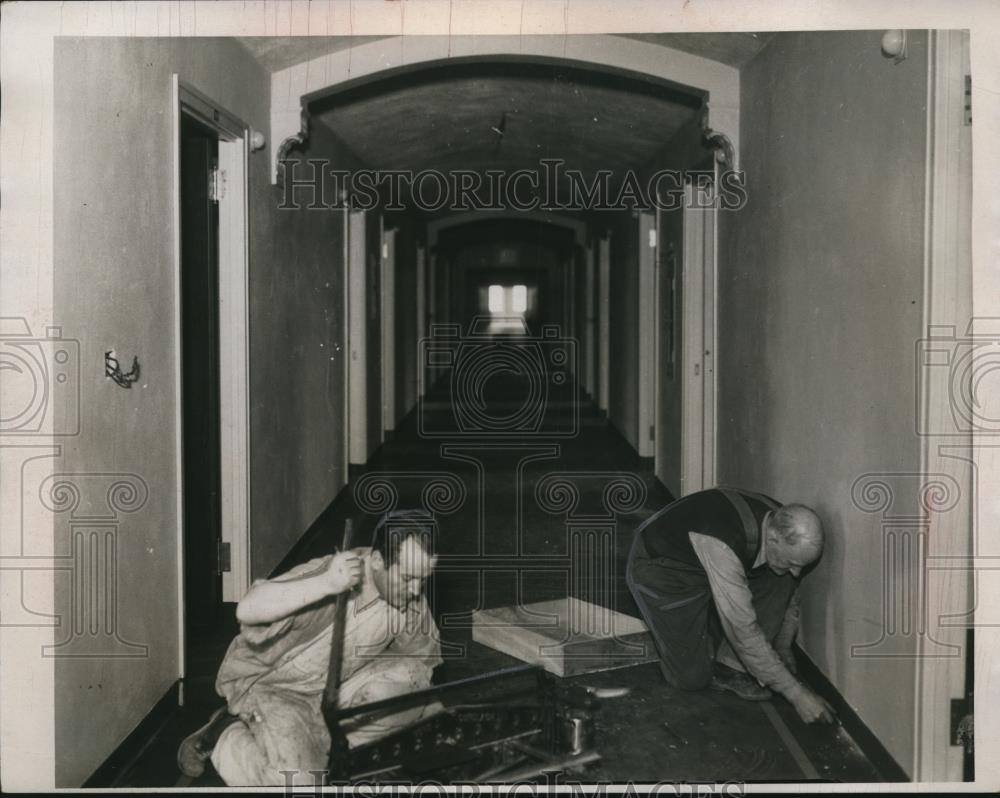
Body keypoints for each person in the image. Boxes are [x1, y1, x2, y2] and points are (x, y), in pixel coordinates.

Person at [177, 509, 443, 785]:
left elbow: (423, 663)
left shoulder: (410, 600)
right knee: (299, 784)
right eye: (408, 578)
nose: (415, 590)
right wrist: (326, 583)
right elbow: (247, 608)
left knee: (413, 678)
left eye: (423, 579)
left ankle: (327, 750)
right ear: (376, 561)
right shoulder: (335, 573)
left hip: (336, 687)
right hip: (277, 688)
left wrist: (438, 723)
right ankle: (227, 734)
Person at [625, 487, 835, 725]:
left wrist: (783, 645)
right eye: (793, 562)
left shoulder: (781, 521)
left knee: (782, 576)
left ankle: (730, 666)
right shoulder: (723, 542)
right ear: (773, 537)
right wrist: (796, 694)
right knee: (691, 678)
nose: (798, 572)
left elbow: (791, 594)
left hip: (717, 561)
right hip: (665, 571)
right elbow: (742, 628)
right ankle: (698, 631)